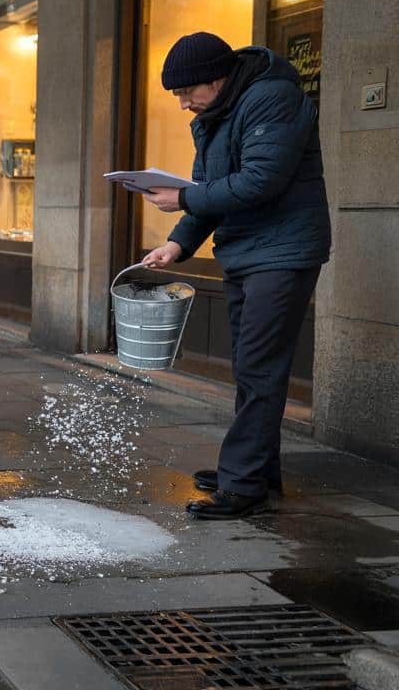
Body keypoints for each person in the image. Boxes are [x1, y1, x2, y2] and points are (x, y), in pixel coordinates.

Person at [139, 32, 331, 519]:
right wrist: (177, 244)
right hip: (247, 251)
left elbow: (261, 180)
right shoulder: (213, 116)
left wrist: (181, 199)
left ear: (218, 79)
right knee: (251, 366)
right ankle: (256, 473)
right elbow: (209, 188)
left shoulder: (273, 98)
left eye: (188, 93)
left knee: (260, 366)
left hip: (283, 250)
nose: (183, 104)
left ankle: (243, 487)